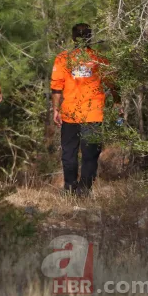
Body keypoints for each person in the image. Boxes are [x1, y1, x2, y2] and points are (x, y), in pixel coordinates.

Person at [51, 23, 119, 195]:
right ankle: (84, 189)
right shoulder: (99, 59)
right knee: (90, 154)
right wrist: (118, 104)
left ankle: (70, 187)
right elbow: (113, 85)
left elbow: (56, 88)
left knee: (69, 153)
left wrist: (55, 109)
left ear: (73, 38)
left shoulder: (62, 58)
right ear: (90, 38)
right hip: (92, 114)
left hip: (70, 114)